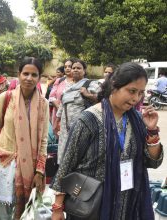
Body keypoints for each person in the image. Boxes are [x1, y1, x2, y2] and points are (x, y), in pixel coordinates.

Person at [51, 62, 163, 220]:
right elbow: (67, 163)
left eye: (140, 93)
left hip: (127, 203)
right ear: (114, 86)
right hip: (92, 206)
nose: (136, 98)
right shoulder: (88, 120)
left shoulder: (137, 119)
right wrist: (57, 208)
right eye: (131, 91)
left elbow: (152, 162)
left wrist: (152, 131)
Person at [0, 57, 49, 220]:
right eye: (25, 73)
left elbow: (43, 140)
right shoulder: (5, 97)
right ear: (19, 75)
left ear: (39, 77)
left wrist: (40, 171)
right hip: (5, 164)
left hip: (31, 166)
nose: (29, 78)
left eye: (34, 75)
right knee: (1, 209)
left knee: (23, 210)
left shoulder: (43, 104)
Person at [55, 59, 100, 163]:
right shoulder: (67, 87)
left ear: (84, 71)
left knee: (80, 157)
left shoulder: (90, 84)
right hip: (65, 129)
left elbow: (103, 99)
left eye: (78, 68)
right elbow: (62, 105)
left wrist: (88, 94)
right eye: (73, 68)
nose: (75, 70)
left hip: (83, 128)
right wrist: (56, 121)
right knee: (64, 156)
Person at [49, 59, 74, 135]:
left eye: (70, 66)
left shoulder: (78, 82)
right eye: (65, 67)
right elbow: (51, 96)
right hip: (57, 114)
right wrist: (59, 108)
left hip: (71, 116)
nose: (67, 68)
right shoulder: (59, 81)